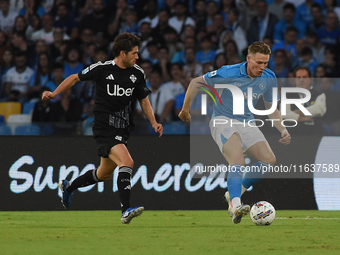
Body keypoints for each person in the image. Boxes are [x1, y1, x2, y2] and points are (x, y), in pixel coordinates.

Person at [42, 33, 163, 224]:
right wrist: (54, 93)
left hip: (122, 129)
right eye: (134, 53)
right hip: (104, 127)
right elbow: (74, 78)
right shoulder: (103, 69)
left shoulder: (138, 73)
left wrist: (154, 122)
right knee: (127, 162)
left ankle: (69, 186)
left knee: (104, 173)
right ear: (122, 53)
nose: (137, 57)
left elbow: (143, 100)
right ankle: (125, 210)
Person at [178, 41, 291, 224]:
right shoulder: (228, 72)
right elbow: (196, 82)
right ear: (248, 59)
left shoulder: (269, 77)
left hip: (247, 122)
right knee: (237, 160)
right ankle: (236, 206)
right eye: (258, 63)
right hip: (223, 120)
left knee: (269, 159)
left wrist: (283, 129)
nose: (262, 67)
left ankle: (234, 193)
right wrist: (185, 110)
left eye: (265, 63)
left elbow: (272, 109)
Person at [282, 66, 326, 134]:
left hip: (315, 133)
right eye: (298, 78)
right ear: (295, 80)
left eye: (304, 77)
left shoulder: (319, 94)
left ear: (310, 79)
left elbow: (319, 109)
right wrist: (302, 118)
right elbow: (284, 113)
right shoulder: (287, 95)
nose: (301, 80)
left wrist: (299, 111)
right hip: (293, 133)